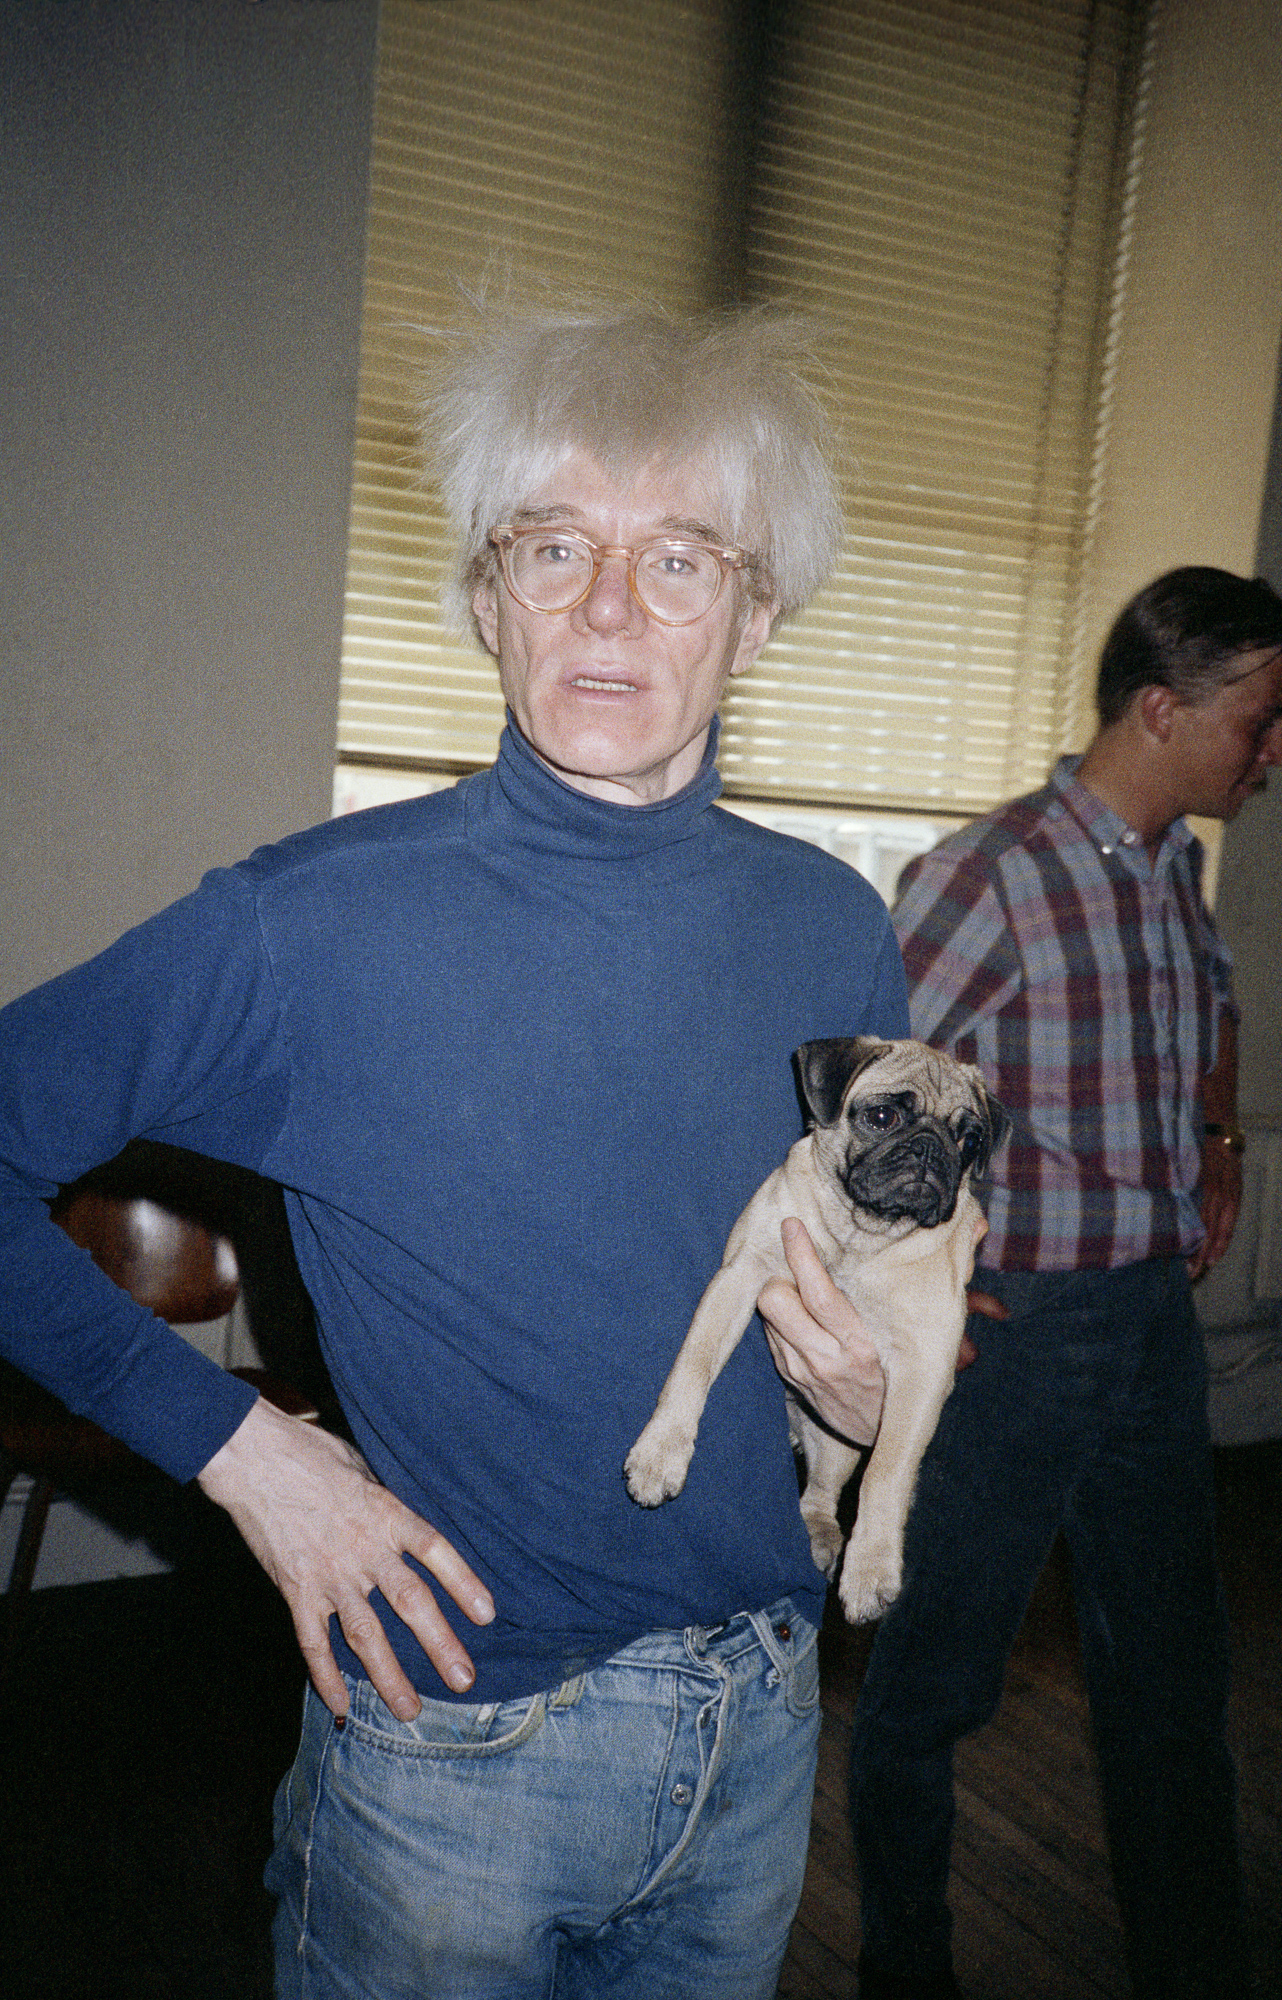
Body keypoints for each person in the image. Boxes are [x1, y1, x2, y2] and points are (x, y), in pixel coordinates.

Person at [0, 306, 907, 2000]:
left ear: (760, 611)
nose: (608, 607)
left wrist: (847, 1412)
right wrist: (249, 1454)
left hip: (767, 1731)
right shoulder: (305, 929)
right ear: (488, 598)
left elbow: (799, 1291)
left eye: (680, 559)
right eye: (552, 546)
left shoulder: (835, 927)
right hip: (457, 1752)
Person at [846, 566, 1282, 2000]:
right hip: (1018, 1335)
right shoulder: (987, 877)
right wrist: (915, 1282)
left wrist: (1215, 1134)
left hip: (1150, 1325)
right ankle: (904, 1971)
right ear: (1164, 709)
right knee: (927, 1693)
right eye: (1263, 720)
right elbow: (864, 1107)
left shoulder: (1176, 867)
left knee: (1173, 1692)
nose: (1274, 754)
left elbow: (1208, 1004)